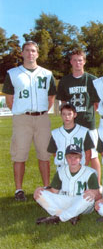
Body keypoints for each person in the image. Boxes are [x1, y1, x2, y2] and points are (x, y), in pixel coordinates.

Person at [2, 41, 57, 201]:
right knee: (19, 154)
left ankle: (46, 186)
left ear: (38, 54)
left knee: (44, 154)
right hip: (22, 118)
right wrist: (21, 112)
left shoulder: (47, 74)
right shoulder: (13, 73)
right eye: (27, 50)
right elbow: (9, 100)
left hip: (42, 118)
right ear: (22, 53)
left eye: (33, 51)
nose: (30, 54)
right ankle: (19, 190)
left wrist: (42, 111)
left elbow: (51, 97)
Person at [56, 49, 101, 178]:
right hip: (72, 125)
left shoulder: (92, 80)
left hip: (88, 124)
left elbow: (96, 103)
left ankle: (96, 185)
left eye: (80, 60)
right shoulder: (65, 81)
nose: (77, 63)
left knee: (92, 155)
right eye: (74, 60)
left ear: (84, 62)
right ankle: (75, 182)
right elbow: (64, 103)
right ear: (71, 62)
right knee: (73, 155)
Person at [34, 144, 101, 225]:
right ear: (66, 158)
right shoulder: (61, 171)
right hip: (66, 200)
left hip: (81, 202)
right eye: (70, 157)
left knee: (88, 198)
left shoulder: (90, 173)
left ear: (80, 158)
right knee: (40, 194)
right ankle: (70, 215)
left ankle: (59, 218)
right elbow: (53, 191)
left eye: (76, 157)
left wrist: (93, 193)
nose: (72, 160)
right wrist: (41, 190)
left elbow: (98, 195)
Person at [47, 103, 94, 169]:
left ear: (75, 115)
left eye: (69, 114)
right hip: (61, 168)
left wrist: (84, 168)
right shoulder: (55, 133)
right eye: (64, 114)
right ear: (61, 115)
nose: (67, 117)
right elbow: (54, 152)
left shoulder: (84, 131)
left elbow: (88, 153)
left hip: (79, 168)